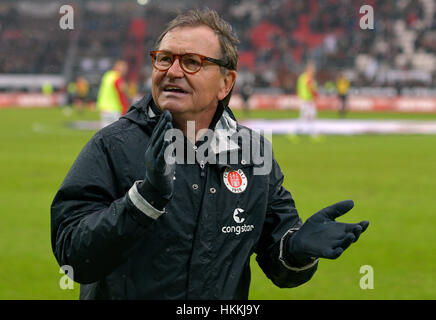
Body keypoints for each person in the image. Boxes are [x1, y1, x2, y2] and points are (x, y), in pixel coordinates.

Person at [51, 9, 369, 300]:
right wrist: (143, 202)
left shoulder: (253, 152)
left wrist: (296, 250)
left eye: (191, 62)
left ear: (225, 82)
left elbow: (280, 262)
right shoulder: (113, 145)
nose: (173, 71)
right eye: (164, 58)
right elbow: (73, 258)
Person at [96, 60, 130, 128]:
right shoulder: (117, 78)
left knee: (105, 132)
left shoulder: (107, 75)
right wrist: (125, 107)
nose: (125, 71)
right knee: (117, 132)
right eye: (124, 68)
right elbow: (121, 93)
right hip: (114, 109)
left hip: (103, 108)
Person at [296, 61, 318, 137]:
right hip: (307, 100)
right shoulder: (307, 78)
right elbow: (310, 88)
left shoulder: (302, 77)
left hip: (305, 99)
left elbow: (299, 89)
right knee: (308, 116)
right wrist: (315, 94)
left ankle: (311, 132)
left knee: (308, 116)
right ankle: (296, 131)